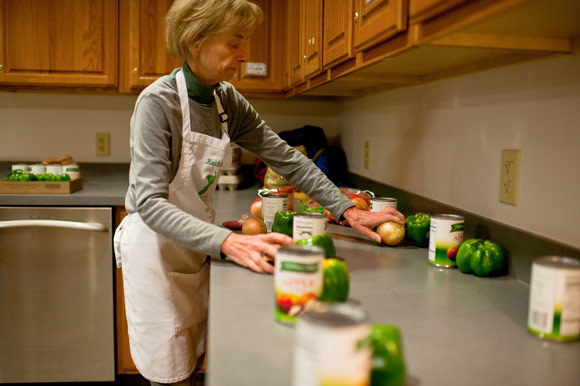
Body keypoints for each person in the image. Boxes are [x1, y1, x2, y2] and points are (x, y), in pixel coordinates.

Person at [113, 0, 405, 385]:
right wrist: (229, 243)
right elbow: (151, 204)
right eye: (235, 43)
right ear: (195, 40)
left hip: (197, 242)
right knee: (168, 371)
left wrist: (348, 210)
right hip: (156, 248)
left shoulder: (225, 100)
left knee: (191, 356)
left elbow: (285, 157)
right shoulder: (158, 103)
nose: (244, 55)